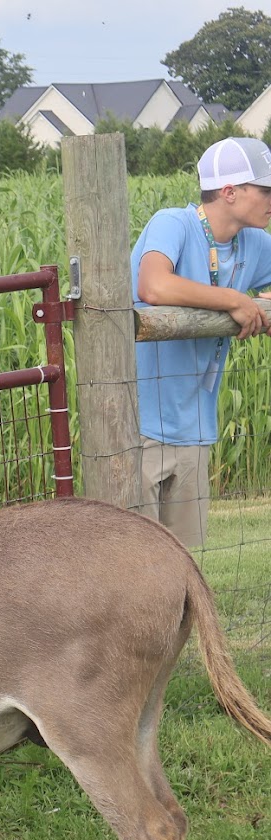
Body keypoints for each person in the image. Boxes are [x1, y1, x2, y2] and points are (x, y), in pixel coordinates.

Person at [132, 136, 271, 548]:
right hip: (135, 424)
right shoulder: (173, 223)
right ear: (230, 192)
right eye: (265, 189)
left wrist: (261, 305)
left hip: (194, 426)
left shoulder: (255, 242)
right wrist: (235, 299)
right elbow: (153, 284)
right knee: (133, 567)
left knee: (187, 564)